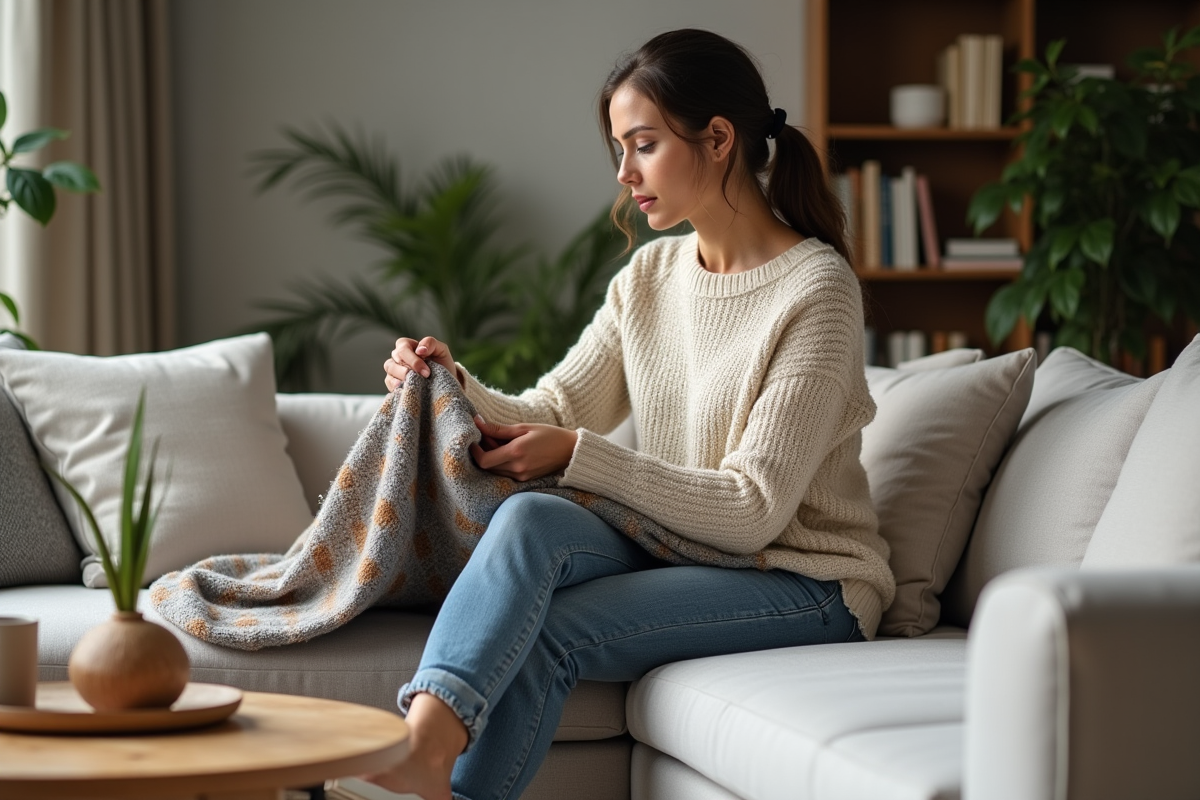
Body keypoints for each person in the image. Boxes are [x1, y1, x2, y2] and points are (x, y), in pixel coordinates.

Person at [368, 28, 894, 800]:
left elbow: (752, 511)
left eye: (643, 145)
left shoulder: (816, 291)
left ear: (717, 139)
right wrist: (449, 383)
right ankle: (423, 748)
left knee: (549, 630)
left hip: (806, 578)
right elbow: (553, 407)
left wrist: (579, 453)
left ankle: (432, 778)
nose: (624, 174)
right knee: (530, 523)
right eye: (620, 148)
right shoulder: (650, 275)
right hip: (686, 548)